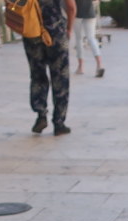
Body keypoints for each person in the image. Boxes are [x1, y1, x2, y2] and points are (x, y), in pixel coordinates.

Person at [26, 0, 75, 135]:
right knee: (61, 77)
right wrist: (69, 29)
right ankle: (59, 122)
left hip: (32, 32)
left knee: (37, 75)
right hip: (56, 31)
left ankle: (41, 115)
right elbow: (71, 7)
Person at [71, 0, 104, 77]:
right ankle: (99, 64)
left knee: (79, 39)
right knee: (91, 38)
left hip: (77, 13)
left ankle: (80, 67)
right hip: (90, 12)